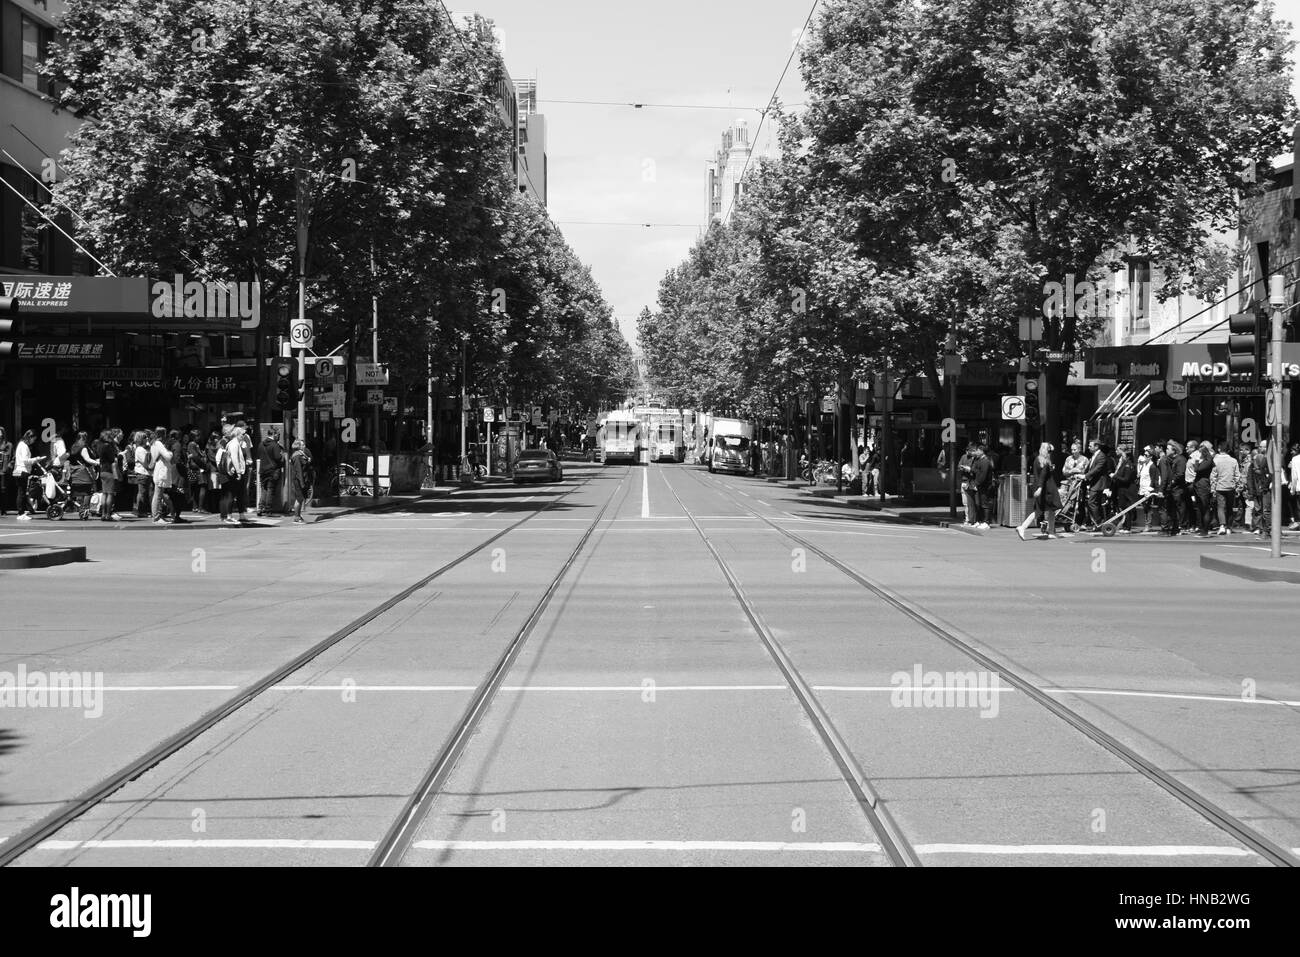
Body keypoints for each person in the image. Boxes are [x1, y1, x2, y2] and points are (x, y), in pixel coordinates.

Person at [1016, 442, 1060, 540]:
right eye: (1049, 451)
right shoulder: (1045, 461)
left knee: (1047, 510)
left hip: (1043, 488)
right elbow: (1043, 476)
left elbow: (1040, 475)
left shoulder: (1038, 460)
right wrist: (1040, 488)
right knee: (1041, 511)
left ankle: (1051, 531)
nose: (1050, 453)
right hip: (1047, 489)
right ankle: (1023, 527)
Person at [1209, 440, 1238, 537]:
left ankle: (1222, 525)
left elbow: (1213, 476)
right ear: (1228, 450)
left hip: (1219, 487)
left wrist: (1213, 488)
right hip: (1231, 487)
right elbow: (1237, 476)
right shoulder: (1234, 461)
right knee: (1230, 507)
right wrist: (1236, 486)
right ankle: (1229, 527)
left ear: (1219, 449)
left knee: (1220, 507)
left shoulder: (1216, 460)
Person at [11, 429, 42, 520]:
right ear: (30, 437)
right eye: (34, 439)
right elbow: (25, 460)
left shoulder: (20, 445)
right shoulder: (24, 446)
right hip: (23, 471)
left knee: (21, 492)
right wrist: (36, 459)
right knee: (22, 492)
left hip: (19, 470)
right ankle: (21, 513)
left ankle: (21, 512)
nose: (33, 441)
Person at [1160, 440, 1188, 536]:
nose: (1166, 451)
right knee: (1172, 508)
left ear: (1174, 450)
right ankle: (1175, 527)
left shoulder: (1181, 459)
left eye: (1168, 449)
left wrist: (1172, 481)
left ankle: (1181, 526)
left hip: (1178, 489)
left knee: (1179, 507)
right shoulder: (1171, 459)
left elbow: (1180, 474)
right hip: (1172, 488)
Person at [149, 427, 175, 525]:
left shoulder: (154, 443)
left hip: (159, 470)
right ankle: (156, 517)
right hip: (161, 471)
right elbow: (168, 456)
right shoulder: (158, 444)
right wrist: (171, 453)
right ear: (162, 434)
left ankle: (158, 516)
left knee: (158, 495)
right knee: (158, 495)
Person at [95, 429, 123, 522]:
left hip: (102, 471)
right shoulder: (108, 446)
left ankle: (103, 514)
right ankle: (107, 514)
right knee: (110, 494)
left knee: (104, 493)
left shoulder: (100, 445)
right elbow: (112, 459)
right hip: (109, 471)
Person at [1247, 439, 1274, 536]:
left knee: (1266, 509)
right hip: (1258, 488)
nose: (1261, 448)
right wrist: (1251, 489)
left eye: (1263, 446)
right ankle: (1259, 527)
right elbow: (1250, 475)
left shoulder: (1269, 459)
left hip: (1264, 488)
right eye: (1260, 446)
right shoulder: (1257, 459)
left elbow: (1269, 474)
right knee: (1258, 509)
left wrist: (1264, 485)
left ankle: (1266, 529)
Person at [257, 427, 286, 516]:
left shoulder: (261, 444)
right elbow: (278, 457)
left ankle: (261, 508)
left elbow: (259, 455)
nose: (279, 437)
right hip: (272, 471)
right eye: (278, 435)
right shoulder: (275, 445)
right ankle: (268, 509)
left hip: (262, 470)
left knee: (264, 489)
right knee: (270, 489)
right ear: (274, 434)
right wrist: (283, 457)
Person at [67, 431, 97, 515]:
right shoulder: (83, 447)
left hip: (75, 471)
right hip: (84, 471)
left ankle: (80, 508)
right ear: (85, 438)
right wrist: (96, 463)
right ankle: (84, 509)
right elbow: (87, 459)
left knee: (80, 490)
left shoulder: (74, 446)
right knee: (88, 491)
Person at [1083, 439, 1109, 530]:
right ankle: (1098, 522)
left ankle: (1099, 522)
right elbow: (1090, 468)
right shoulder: (1093, 456)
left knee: (1091, 502)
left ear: (1096, 446)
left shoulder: (1101, 456)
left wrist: (1086, 476)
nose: (1088, 447)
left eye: (1090, 446)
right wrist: (1082, 474)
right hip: (1094, 482)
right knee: (1095, 503)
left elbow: (1097, 469)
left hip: (1099, 483)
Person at [1110, 446, 1136, 532]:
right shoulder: (1122, 463)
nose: (1122, 457)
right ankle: (1124, 526)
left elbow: (1126, 478)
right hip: (1121, 489)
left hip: (1126, 489)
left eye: (1124, 455)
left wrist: (1115, 476)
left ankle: (1127, 527)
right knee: (1123, 508)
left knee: (1127, 508)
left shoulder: (1128, 464)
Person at [288, 439, 313, 524]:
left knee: (301, 498)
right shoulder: (297, 456)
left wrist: (307, 461)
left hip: (302, 479)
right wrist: (302, 482)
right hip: (298, 480)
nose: (304, 446)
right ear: (298, 446)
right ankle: (296, 517)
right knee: (299, 498)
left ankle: (298, 515)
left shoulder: (301, 455)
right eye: (302, 445)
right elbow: (299, 470)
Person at [969, 444, 994, 530]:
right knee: (980, 504)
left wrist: (977, 483)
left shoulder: (985, 461)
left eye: (979, 450)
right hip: (981, 485)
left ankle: (986, 522)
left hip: (985, 486)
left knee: (985, 504)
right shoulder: (980, 460)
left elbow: (983, 475)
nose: (977, 452)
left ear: (982, 451)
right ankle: (981, 521)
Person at [131, 431, 152, 517]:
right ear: (141, 439)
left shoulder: (144, 449)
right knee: (142, 493)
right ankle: (140, 511)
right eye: (145, 437)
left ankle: (143, 511)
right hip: (143, 473)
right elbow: (146, 464)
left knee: (145, 493)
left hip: (146, 473)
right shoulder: (140, 450)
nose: (147, 439)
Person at [957, 442, 978, 525]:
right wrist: (964, 468)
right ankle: (967, 518)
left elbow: (974, 469)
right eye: (968, 450)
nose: (968, 452)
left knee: (972, 502)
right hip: (965, 480)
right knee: (965, 502)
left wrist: (968, 469)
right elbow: (959, 466)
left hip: (972, 481)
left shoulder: (976, 458)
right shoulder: (964, 457)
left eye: (970, 450)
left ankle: (972, 519)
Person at [0, 427, 11, 517]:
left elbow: (12, 457)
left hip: (3, 470)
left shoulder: (8, 445)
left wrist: (8, 465)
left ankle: (3, 509)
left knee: (3, 489)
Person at [1290, 443, 1300, 531]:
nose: (1291, 452)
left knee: (1298, 506)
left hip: (1299, 487)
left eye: (1292, 450)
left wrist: (1292, 489)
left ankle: (1298, 523)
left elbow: (1294, 476)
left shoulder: (1295, 459)